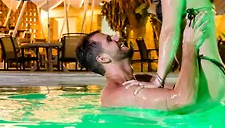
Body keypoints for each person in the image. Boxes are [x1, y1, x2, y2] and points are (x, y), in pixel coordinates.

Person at [76, 12, 213, 112]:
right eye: (110, 40)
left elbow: (192, 89)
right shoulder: (120, 93)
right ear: (103, 59)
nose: (117, 36)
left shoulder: (140, 80)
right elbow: (183, 100)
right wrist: (189, 45)